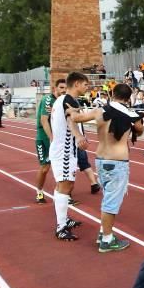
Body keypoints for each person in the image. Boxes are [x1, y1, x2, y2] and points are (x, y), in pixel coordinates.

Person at [70, 84, 143, 252]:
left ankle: (104, 233)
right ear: (128, 97)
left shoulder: (99, 111)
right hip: (117, 162)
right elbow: (139, 130)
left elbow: (76, 118)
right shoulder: (131, 114)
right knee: (111, 202)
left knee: (107, 198)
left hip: (101, 160)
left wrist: (72, 111)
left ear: (112, 93)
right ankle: (107, 240)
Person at [49, 72, 90, 241]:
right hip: (65, 150)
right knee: (65, 185)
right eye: (85, 85)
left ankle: (64, 220)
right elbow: (70, 119)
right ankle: (61, 227)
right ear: (77, 84)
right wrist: (78, 136)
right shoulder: (69, 100)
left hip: (63, 149)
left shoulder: (62, 100)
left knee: (65, 185)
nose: (87, 88)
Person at [34, 80, 67, 203]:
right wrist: (52, 138)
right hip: (44, 137)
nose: (64, 90)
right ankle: (39, 192)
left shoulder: (63, 101)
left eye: (65, 88)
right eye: (61, 87)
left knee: (62, 167)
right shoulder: (48, 99)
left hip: (58, 138)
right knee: (45, 168)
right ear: (55, 88)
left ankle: (62, 194)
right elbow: (44, 120)